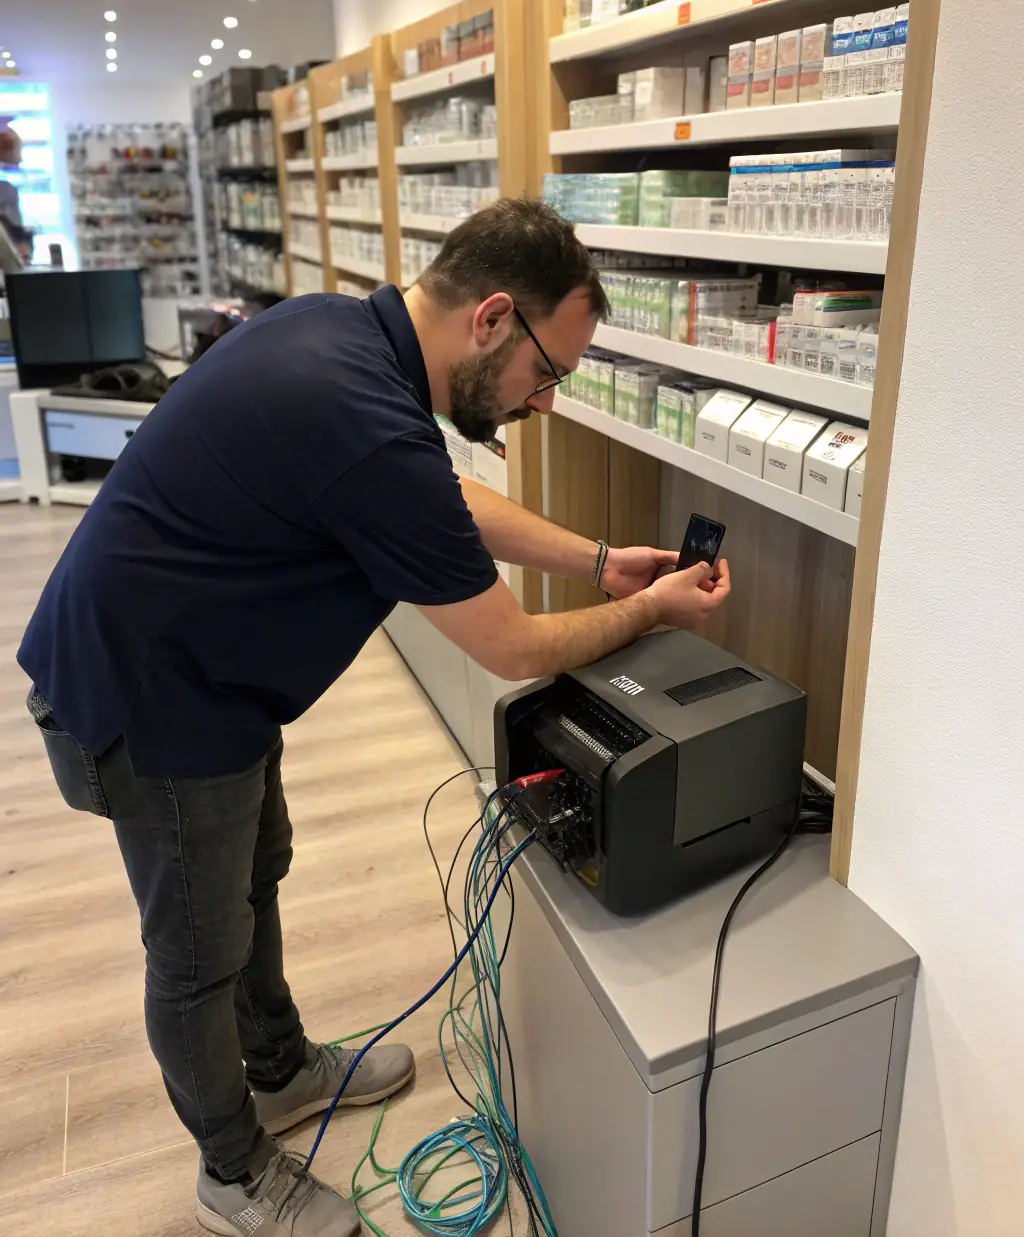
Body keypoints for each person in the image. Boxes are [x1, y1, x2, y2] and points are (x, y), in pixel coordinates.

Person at [19, 198, 730, 1236]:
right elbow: (512, 651)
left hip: (207, 679)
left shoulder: (344, 340)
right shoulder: (358, 416)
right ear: (492, 318)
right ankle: (233, 1174)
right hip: (149, 702)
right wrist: (648, 610)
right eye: (549, 373)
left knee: (257, 871)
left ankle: (282, 1065)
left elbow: (438, 500)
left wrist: (594, 560)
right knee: (195, 951)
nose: (542, 404)